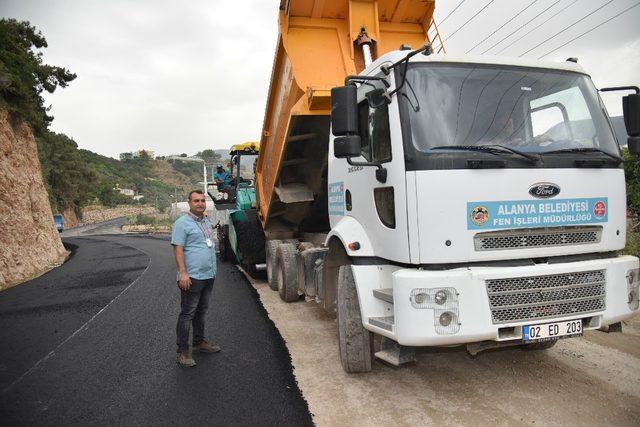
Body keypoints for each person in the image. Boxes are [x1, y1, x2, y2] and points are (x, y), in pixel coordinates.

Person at [171, 189, 220, 367]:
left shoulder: (206, 220)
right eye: (196, 201)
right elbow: (177, 248)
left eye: (202, 200)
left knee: (201, 311)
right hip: (192, 276)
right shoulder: (182, 223)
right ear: (189, 203)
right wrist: (183, 273)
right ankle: (183, 352)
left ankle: (199, 343)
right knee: (187, 313)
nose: (200, 203)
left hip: (208, 274)